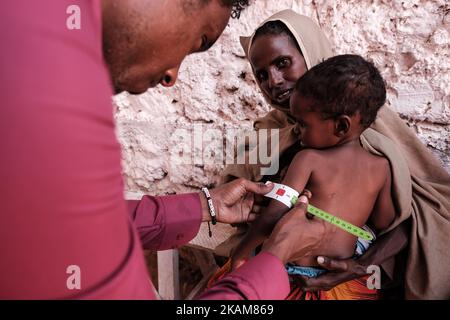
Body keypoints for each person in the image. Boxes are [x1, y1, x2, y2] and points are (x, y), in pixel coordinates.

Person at [0, 0, 327, 299]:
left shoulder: (28, 45)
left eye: (283, 63)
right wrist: (274, 257)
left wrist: (205, 205)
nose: (172, 75)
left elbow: (75, 226)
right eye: (197, 41)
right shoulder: (49, 96)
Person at [217, 10, 450, 299]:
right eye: (261, 74)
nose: (273, 81)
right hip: (280, 269)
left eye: (283, 63)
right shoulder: (269, 130)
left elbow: (412, 215)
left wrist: (359, 265)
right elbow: (240, 195)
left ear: (310, 53)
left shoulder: (370, 126)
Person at [229, 54, 395, 300]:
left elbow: (273, 215)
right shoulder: (381, 167)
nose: (296, 130)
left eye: (303, 124)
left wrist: (239, 254)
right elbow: (384, 222)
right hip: (340, 284)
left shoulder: (308, 159)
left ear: (341, 126)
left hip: (290, 276)